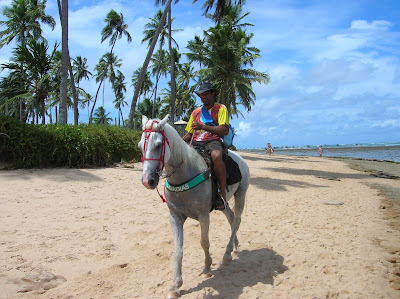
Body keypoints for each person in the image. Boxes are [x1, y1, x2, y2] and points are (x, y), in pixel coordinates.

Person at [183, 82, 229, 210]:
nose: (203, 97)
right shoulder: (196, 112)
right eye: (201, 95)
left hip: (213, 140)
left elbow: (224, 130)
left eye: (206, 94)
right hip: (197, 141)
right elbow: (189, 134)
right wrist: (178, 142)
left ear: (212, 94)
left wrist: (203, 127)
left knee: (216, 155)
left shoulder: (221, 108)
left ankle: (222, 193)